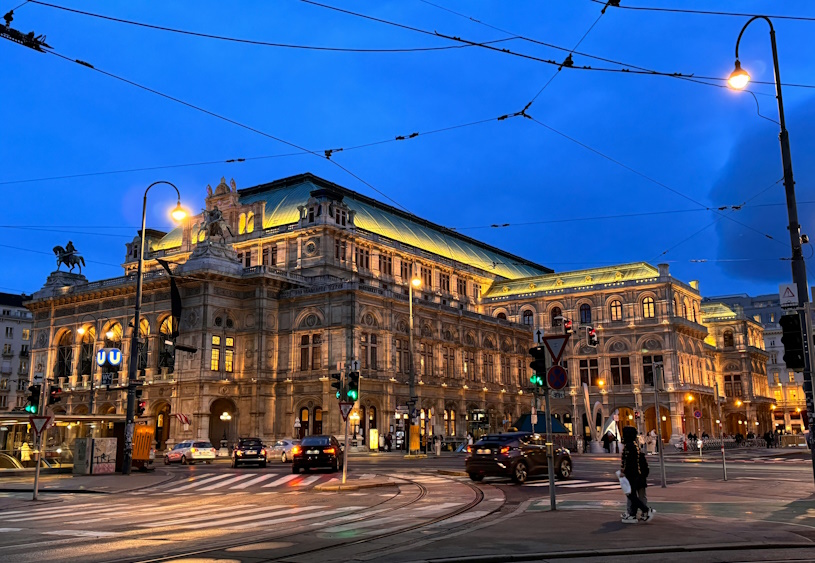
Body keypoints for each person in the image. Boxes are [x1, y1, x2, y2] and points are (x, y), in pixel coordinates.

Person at [620, 426, 656, 524]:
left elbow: (629, 462)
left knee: (632, 495)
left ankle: (644, 510)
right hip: (636, 475)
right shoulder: (634, 445)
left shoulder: (629, 446)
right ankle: (634, 513)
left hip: (633, 475)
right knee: (635, 495)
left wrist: (623, 471)